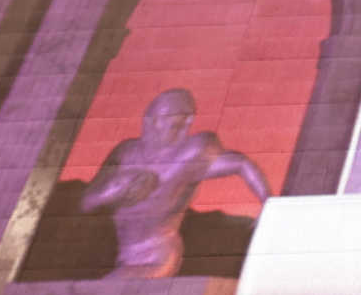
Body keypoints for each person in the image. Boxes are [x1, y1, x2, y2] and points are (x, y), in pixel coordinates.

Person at [79, 88, 271, 279]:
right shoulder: (126, 152)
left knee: (109, 286)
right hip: (126, 253)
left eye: (186, 122)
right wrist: (114, 190)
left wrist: (268, 203)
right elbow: (87, 201)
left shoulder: (188, 156)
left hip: (156, 254)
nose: (185, 128)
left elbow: (240, 163)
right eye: (176, 123)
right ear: (152, 120)